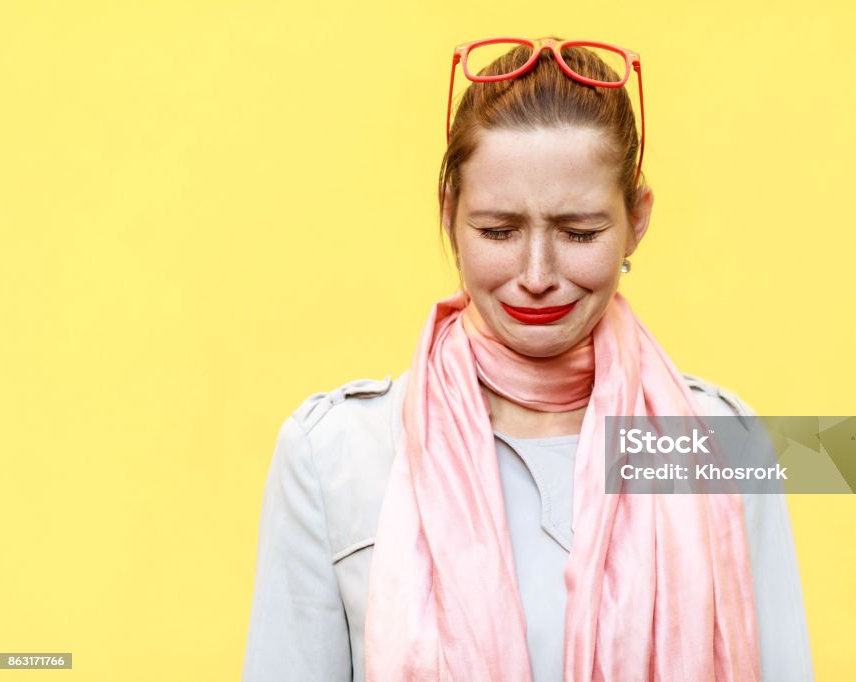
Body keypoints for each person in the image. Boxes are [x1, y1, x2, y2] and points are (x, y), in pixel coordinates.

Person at [242, 37, 814, 682]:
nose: (537, 275)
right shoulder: (334, 453)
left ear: (637, 220)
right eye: (498, 231)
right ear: (450, 215)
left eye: (579, 233)